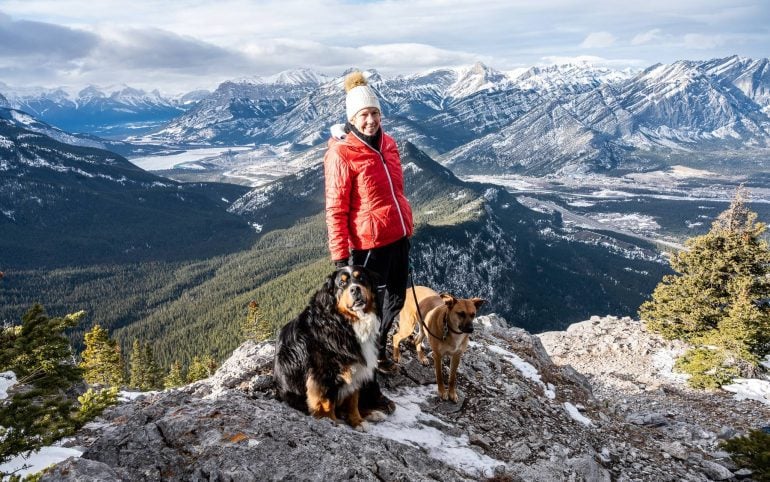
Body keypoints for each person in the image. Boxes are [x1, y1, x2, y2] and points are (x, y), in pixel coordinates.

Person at [323, 70, 414, 412]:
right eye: (364, 115)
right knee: (367, 318)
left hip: (397, 236)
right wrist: (340, 257)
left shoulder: (388, 144)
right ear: (352, 119)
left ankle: (375, 355)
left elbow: (396, 191)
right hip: (368, 246)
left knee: (394, 301)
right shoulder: (342, 154)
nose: (371, 120)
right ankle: (369, 389)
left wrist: (407, 220)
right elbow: (335, 208)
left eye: (375, 113)